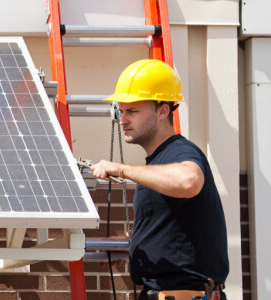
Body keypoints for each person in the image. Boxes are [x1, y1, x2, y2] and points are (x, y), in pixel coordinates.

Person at [89, 59, 229, 299]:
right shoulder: (156, 163)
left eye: (132, 111)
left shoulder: (180, 152)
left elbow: (189, 182)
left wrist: (121, 169)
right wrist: (131, 242)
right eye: (121, 111)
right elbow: (174, 223)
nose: (123, 119)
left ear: (163, 111)